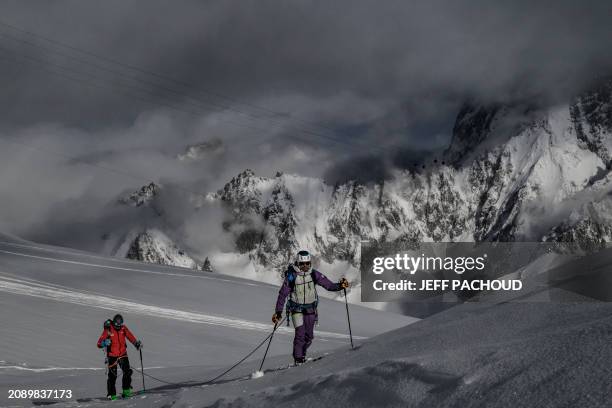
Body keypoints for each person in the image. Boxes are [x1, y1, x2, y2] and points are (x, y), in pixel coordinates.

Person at [273, 250, 349, 365]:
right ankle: (298, 359)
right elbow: (282, 294)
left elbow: (328, 285)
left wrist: (340, 286)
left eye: (307, 263)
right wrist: (278, 312)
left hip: (310, 310)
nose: (305, 266)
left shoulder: (314, 274)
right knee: (300, 335)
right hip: (296, 310)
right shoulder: (291, 276)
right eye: (302, 264)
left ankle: (302, 355)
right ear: (297, 263)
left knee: (309, 336)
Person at [97, 314, 142, 400]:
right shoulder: (108, 330)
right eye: (117, 325)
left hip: (123, 354)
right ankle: (112, 395)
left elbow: (130, 336)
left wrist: (136, 343)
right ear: (114, 323)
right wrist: (104, 343)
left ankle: (126, 391)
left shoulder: (123, 328)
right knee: (112, 376)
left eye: (120, 325)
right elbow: (99, 343)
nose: (118, 326)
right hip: (112, 356)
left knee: (127, 372)